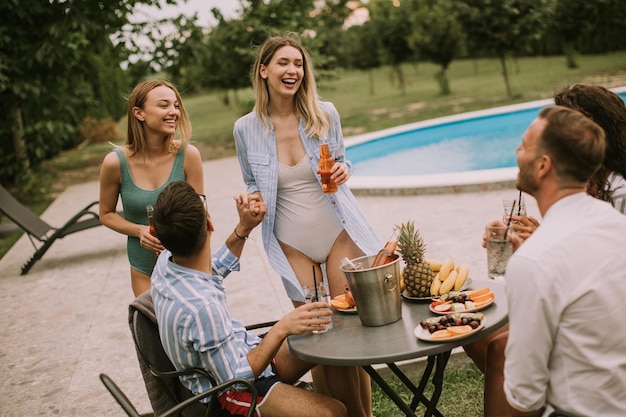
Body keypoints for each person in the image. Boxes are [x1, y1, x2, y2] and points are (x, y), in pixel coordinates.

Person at [233, 34, 380, 412]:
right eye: (283, 63)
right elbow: (253, 182)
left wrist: (344, 170)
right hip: (291, 243)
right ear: (263, 71)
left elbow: (344, 160)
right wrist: (252, 201)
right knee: (318, 337)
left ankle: (360, 413)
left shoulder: (324, 113)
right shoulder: (245, 128)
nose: (293, 70)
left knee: (348, 332)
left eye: (298, 64)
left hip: (337, 233)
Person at [465, 84, 626, 416]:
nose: (516, 151)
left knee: (503, 354)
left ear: (543, 165)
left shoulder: (536, 261)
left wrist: (536, 251)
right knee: (484, 337)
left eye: (524, 146)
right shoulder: (609, 218)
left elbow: (523, 395)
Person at [151, 180, 364, 417]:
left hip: (239, 354)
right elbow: (237, 378)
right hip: (228, 395)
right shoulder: (203, 308)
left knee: (326, 333)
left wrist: (243, 229)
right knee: (333, 413)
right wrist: (281, 328)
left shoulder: (167, 263)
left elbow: (212, 270)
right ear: (210, 224)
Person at [99, 80, 204, 296]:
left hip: (187, 265)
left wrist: (204, 266)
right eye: (163, 105)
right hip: (143, 268)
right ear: (139, 113)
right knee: (153, 328)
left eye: (176, 105)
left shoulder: (188, 156)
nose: (174, 112)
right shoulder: (115, 163)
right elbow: (106, 214)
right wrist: (139, 231)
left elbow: (202, 217)